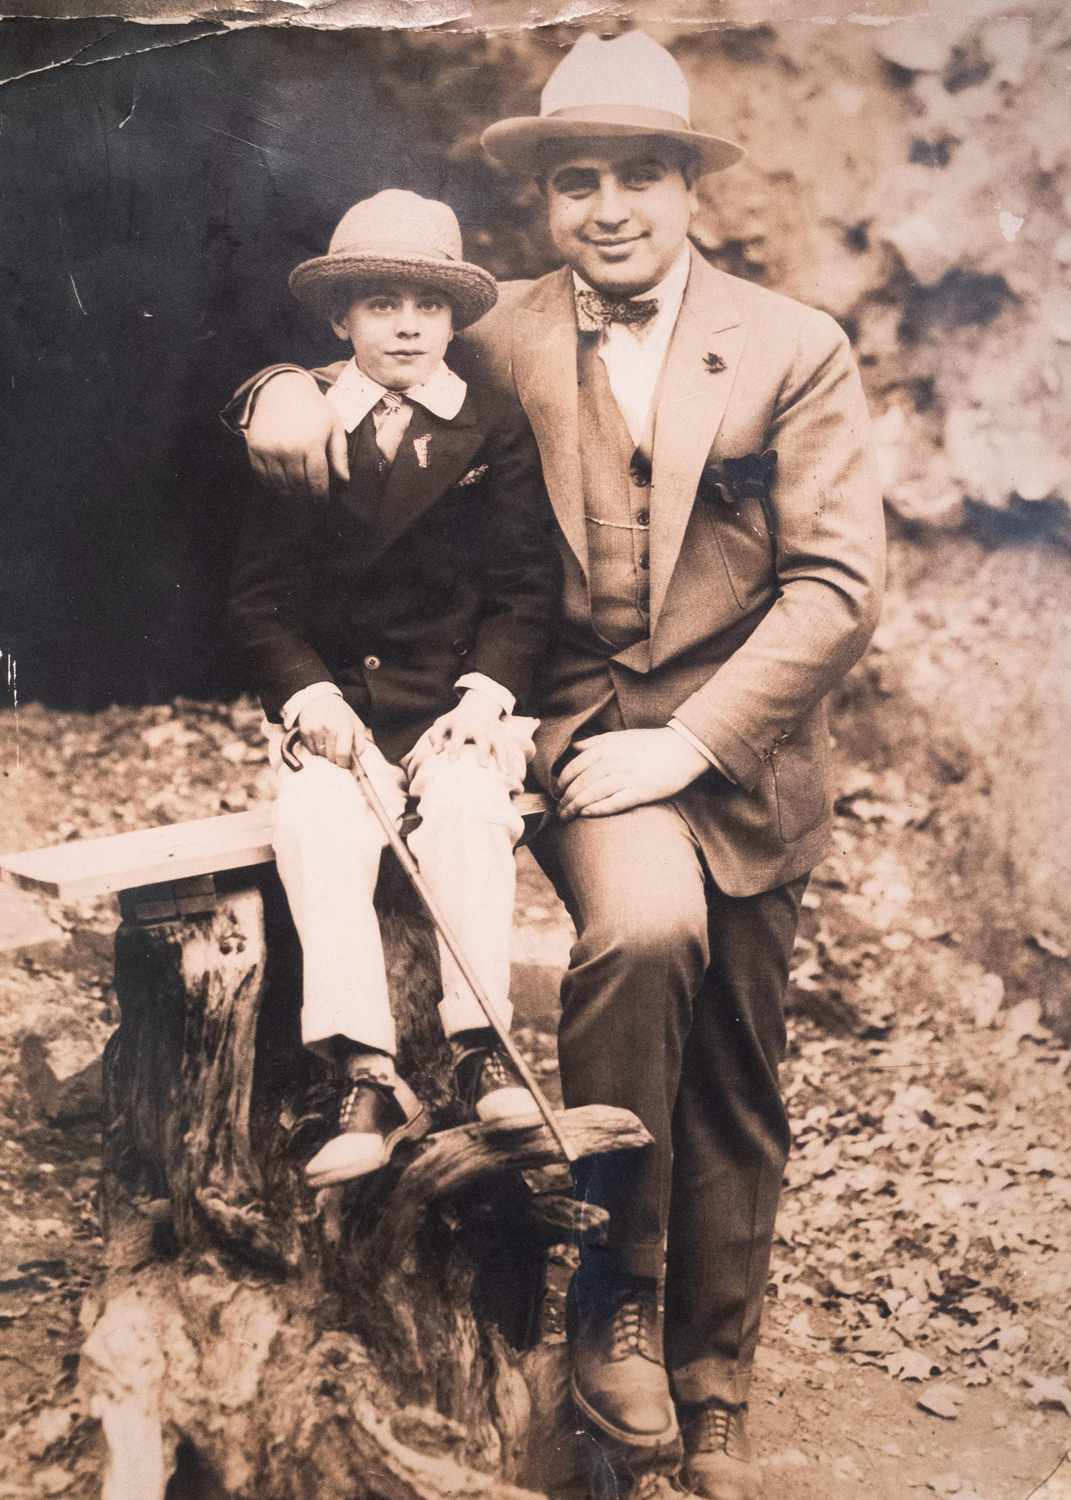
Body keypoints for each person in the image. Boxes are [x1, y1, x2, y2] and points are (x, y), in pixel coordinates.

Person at [231, 33, 886, 1500]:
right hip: (580, 735)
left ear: (685, 186)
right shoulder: (503, 332)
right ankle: (613, 1308)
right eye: (574, 178)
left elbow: (835, 587)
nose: (607, 206)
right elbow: (370, 369)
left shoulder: (791, 347)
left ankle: (713, 1390)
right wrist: (266, 390)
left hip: (737, 747)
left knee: (736, 1072)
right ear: (540, 198)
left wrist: (694, 739)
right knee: (644, 936)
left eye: (637, 173)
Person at [228, 189, 562, 1190]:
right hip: (345, 721)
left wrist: (481, 700)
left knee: (466, 810)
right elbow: (261, 603)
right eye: (380, 303)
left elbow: (523, 592)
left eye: (427, 303)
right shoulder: (305, 427)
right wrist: (315, 702)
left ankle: (479, 1044)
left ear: (456, 319)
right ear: (341, 321)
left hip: (448, 709)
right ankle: (365, 1072)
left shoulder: (491, 426)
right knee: (316, 825)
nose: (408, 322)